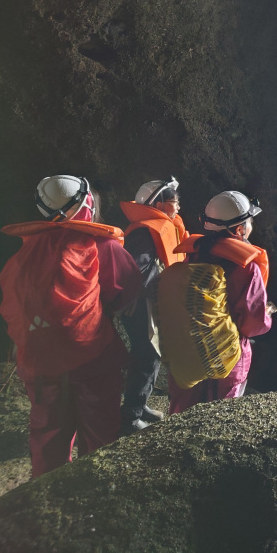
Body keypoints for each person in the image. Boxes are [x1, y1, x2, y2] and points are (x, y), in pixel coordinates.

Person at [0, 175, 141, 477]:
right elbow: (125, 289)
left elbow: (12, 303)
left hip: (39, 359)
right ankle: (92, 497)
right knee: (99, 432)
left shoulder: (24, 252)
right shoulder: (103, 245)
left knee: (48, 434)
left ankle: (44, 498)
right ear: (87, 202)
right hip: (91, 356)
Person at [165, 191, 273, 414]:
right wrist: (267, 314)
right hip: (228, 355)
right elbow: (253, 325)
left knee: (181, 415)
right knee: (218, 418)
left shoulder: (193, 255)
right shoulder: (247, 267)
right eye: (249, 221)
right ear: (239, 229)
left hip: (190, 347)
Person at [119, 177, 189, 434]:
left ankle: (140, 403)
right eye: (174, 200)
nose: (179, 205)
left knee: (152, 356)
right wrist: (134, 298)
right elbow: (135, 270)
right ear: (158, 203)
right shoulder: (144, 231)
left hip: (151, 300)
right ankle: (130, 417)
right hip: (141, 303)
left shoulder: (158, 227)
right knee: (147, 356)